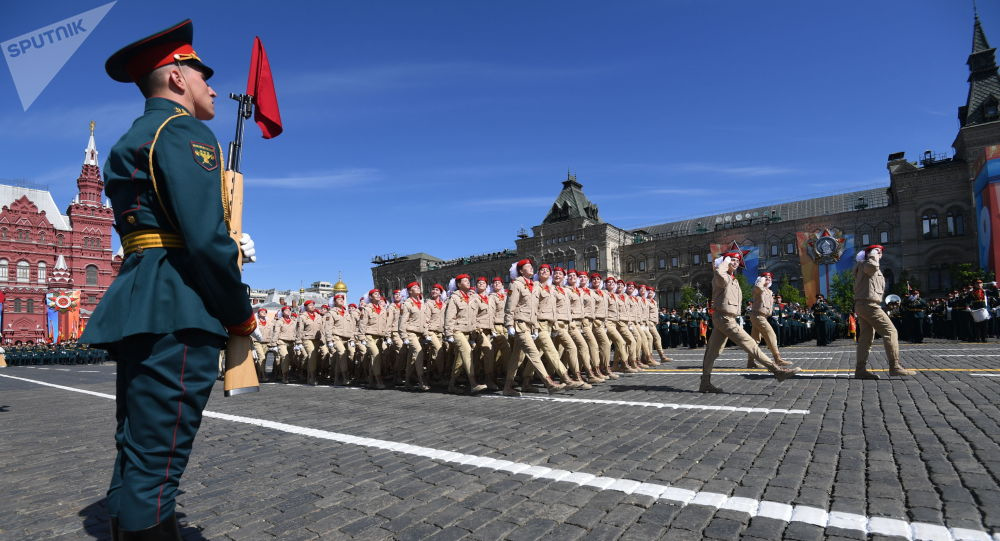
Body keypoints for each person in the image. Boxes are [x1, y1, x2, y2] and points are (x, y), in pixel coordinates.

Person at [79, 19, 258, 538]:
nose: (211, 87)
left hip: (143, 298)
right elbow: (203, 239)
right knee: (159, 462)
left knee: (135, 447)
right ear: (178, 78)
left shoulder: (131, 139)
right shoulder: (183, 132)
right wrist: (239, 311)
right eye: (203, 75)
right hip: (179, 304)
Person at [699, 252, 799, 393]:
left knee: (712, 352)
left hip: (727, 317)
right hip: (724, 318)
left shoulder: (733, 279)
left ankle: (705, 383)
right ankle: (777, 371)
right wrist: (724, 262)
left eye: (737, 261)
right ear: (725, 261)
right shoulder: (720, 276)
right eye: (732, 260)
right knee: (750, 343)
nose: (734, 263)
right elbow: (719, 273)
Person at [853, 245, 916, 379]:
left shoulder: (863, 265)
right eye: (879, 252)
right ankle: (895, 366)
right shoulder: (868, 263)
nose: (880, 255)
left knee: (866, 337)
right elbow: (872, 267)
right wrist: (873, 254)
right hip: (869, 304)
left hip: (863, 304)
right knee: (890, 331)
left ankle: (860, 369)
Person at [745, 273, 793, 369]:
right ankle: (777, 358)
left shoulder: (769, 292)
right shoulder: (757, 288)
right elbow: (759, 286)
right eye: (765, 277)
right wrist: (761, 280)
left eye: (770, 278)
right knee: (771, 334)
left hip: (763, 316)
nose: (768, 279)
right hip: (758, 315)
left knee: (755, 340)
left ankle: (750, 362)